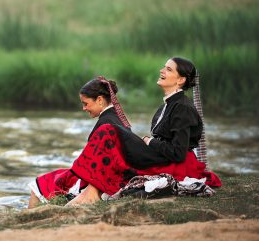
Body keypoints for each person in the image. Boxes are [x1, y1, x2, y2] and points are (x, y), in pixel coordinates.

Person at [56, 57, 220, 206]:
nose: (162, 71)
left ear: (181, 79)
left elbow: (178, 153)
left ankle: (90, 192)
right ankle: (90, 191)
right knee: (112, 134)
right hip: (160, 156)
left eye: (169, 69)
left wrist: (150, 142)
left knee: (108, 130)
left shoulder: (182, 107)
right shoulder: (166, 106)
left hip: (176, 164)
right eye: (164, 67)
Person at [28, 76, 131, 208]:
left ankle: (28, 216)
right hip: (113, 176)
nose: (84, 108)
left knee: (39, 184)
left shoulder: (105, 124)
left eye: (85, 103)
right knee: (54, 177)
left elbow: (100, 162)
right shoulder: (118, 119)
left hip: (101, 181)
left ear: (99, 100)